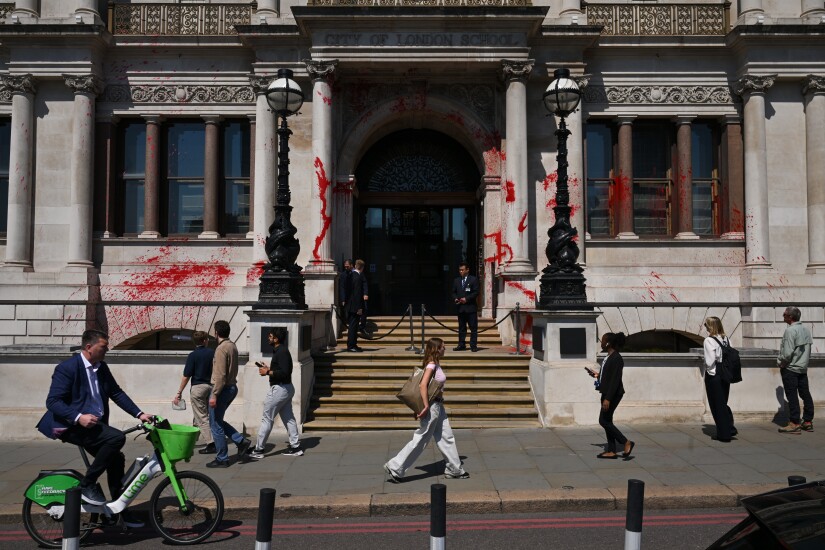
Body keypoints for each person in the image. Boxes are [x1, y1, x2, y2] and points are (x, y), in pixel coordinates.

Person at [36, 329, 153, 528]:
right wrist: (78, 417)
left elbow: (116, 393)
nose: (107, 350)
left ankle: (118, 510)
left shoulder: (102, 367)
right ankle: (87, 484)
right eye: (103, 347)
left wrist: (140, 414)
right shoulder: (68, 368)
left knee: (116, 460)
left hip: (94, 426)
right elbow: (53, 402)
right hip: (71, 426)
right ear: (89, 347)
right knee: (116, 438)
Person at [383, 337, 469, 482]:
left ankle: (454, 469)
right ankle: (395, 466)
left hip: (438, 405)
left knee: (446, 436)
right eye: (443, 347)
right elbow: (423, 385)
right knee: (421, 438)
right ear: (437, 349)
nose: (445, 349)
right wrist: (425, 406)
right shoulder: (431, 365)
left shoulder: (435, 364)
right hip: (433, 406)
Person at [248, 327, 303, 458]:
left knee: (267, 418)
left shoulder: (282, 352)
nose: (268, 338)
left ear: (276, 339)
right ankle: (295, 447)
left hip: (280, 389)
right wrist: (269, 369)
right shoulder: (280, 351)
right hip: (285, 388)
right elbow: (281, 370)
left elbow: (285, 372)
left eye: (270, 336)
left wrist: (267, 372)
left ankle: (259, 450)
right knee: (288, 418)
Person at [206, 320, 251, 467]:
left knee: (215, 425)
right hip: (231, 387)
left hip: (222, 389)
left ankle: (222, 458)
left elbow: (220, 375)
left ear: (216, 333)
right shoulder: (232, 346)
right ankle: (240, 440)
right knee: (218, 420)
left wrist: (214, 395)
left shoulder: (220, 349)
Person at [588, 332, 634, 459]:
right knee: (608, 420)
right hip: (606, 392)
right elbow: (608, 376)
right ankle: (612, 450)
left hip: (613, 394)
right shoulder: (608, 357)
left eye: (602, 341)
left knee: (603, 420)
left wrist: (608, 398)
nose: (601, 343)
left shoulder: (617, 358)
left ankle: (625, 442)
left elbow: (615, 380)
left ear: (608, 343)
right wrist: (597, 375)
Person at [172, 331, 215, 454]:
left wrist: (179, 392)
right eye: (207, 339)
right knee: (200, 415)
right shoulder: (213, 353)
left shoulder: (193, 355)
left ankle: (210, 443)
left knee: (201, 416)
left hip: (198, 388)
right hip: (211, 387)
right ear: (204, 341)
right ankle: (193, 439)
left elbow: (186, 376)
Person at [777, 306, 814, 434]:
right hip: (802, 368)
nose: (783, 315)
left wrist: (781, 363)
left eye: (785, 314)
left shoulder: (790, 331)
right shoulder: (805, 330)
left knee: (792, 395)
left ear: (790, 317)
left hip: (791, 368)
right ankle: (808, 421)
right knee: (805, 394)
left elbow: (787, 353)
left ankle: (794, 423)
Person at [702, 316, 737, 442]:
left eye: (706, 325)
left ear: (710, 326)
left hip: (714, 375)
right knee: (723, 402)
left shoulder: (708, 341)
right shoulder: (727, 339)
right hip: (726, 374)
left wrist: (707, 368)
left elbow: (710, 361)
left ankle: (724, 434)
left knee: (717, 404)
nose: (704, 327)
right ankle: (729, 428)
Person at [451, 263, 479, 352]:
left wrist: (466, 299)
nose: (461, 272)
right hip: (461, 308)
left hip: (471, 308)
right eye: (460, 270)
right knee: (462, 327)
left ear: (467, 270)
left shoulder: (473, 279)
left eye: (462, 270)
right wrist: (455, 298)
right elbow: (453, 292)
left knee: (473, 327)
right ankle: (461, 344)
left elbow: (476, 292)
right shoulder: (457, 280)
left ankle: (473, 345)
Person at [344, 259, 366, 352]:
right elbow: (356, 294)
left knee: (354, 326)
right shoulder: (357, 277)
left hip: (351, 305)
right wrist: (359, 308)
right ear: (362, 268)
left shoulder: (352, 275)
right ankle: (351, 346)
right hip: (354, 306)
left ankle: (353, 344)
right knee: (353, 327)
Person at [358, 263, 371, 337]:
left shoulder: (361, 274)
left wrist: (365, 294)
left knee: (363, 311)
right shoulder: (353, 274)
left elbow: (365, 284)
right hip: (355, 299)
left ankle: (362, 327)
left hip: (362, 298)